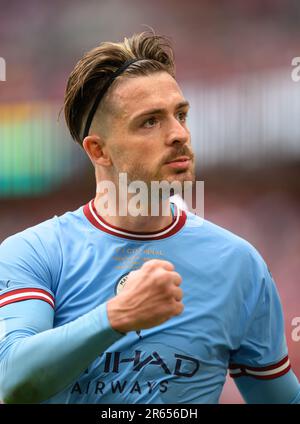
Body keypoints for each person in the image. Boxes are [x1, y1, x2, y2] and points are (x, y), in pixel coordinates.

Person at [0, 32, 299, 404]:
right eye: (150, 122)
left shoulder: (239, 264)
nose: (179, 134)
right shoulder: (36, 253)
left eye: (181, 115)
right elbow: (11, 381)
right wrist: (116, 317)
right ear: (99, 150)